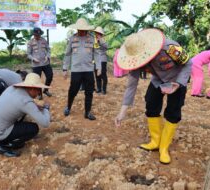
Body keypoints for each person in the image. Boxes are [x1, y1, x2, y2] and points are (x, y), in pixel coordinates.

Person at [114, 29, 192, 164]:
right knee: (151, 104)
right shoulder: (135, 60)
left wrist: (178, 84)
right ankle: (155, 141)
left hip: (177, 79)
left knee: (173, 111)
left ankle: (164, 148)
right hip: (158, 81)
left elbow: (188, 63)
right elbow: (131, 86)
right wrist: (122, 112)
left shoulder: (169, 47)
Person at [0, 73, 51, 157]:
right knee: (34, 128)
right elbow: (45, 123)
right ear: (33, 88)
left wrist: (35, 107)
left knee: (23, 115)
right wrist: (46, 109)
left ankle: (7, 139)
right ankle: (5, 146)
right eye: (38, 90)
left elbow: (16, 104)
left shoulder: (11, 88)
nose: (38, 94)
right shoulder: (25, 101)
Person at [63, 18, 101, 120]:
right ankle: (68, 107)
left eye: (83, 29)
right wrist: (65, 69)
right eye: (79, 29)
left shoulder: (94, 39)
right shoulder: (72, 38)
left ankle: (87, 112)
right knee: (73, 90)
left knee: (89, 91)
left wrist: (99, 67)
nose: (81, 31)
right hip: (76, 70)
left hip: (88, 70)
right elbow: (67, 55)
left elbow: (97, 53)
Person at [27, 27, 53, 97]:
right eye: (36, 35)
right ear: (34, 34)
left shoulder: (44, 40)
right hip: (36, 65)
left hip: (45, 63)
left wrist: (47, 56)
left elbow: (48, 50)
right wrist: (33, 59)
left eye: (39, 35)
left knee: (50, 76)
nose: (38, 36)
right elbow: (28, 54)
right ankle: (39, 94)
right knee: (36, 79)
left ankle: (46, 90)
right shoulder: (30, 42)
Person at [94, 26, 108, 95]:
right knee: (97, 75)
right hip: (96, 60)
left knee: (103, 75)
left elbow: (106, 47)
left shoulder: (103, 40)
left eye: (98, 33)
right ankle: (99, 88)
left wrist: (100, 40)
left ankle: (104, 89)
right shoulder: (94, 40)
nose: (97, 34)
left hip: (102, 59)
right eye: (96, 33)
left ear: (101, 33)